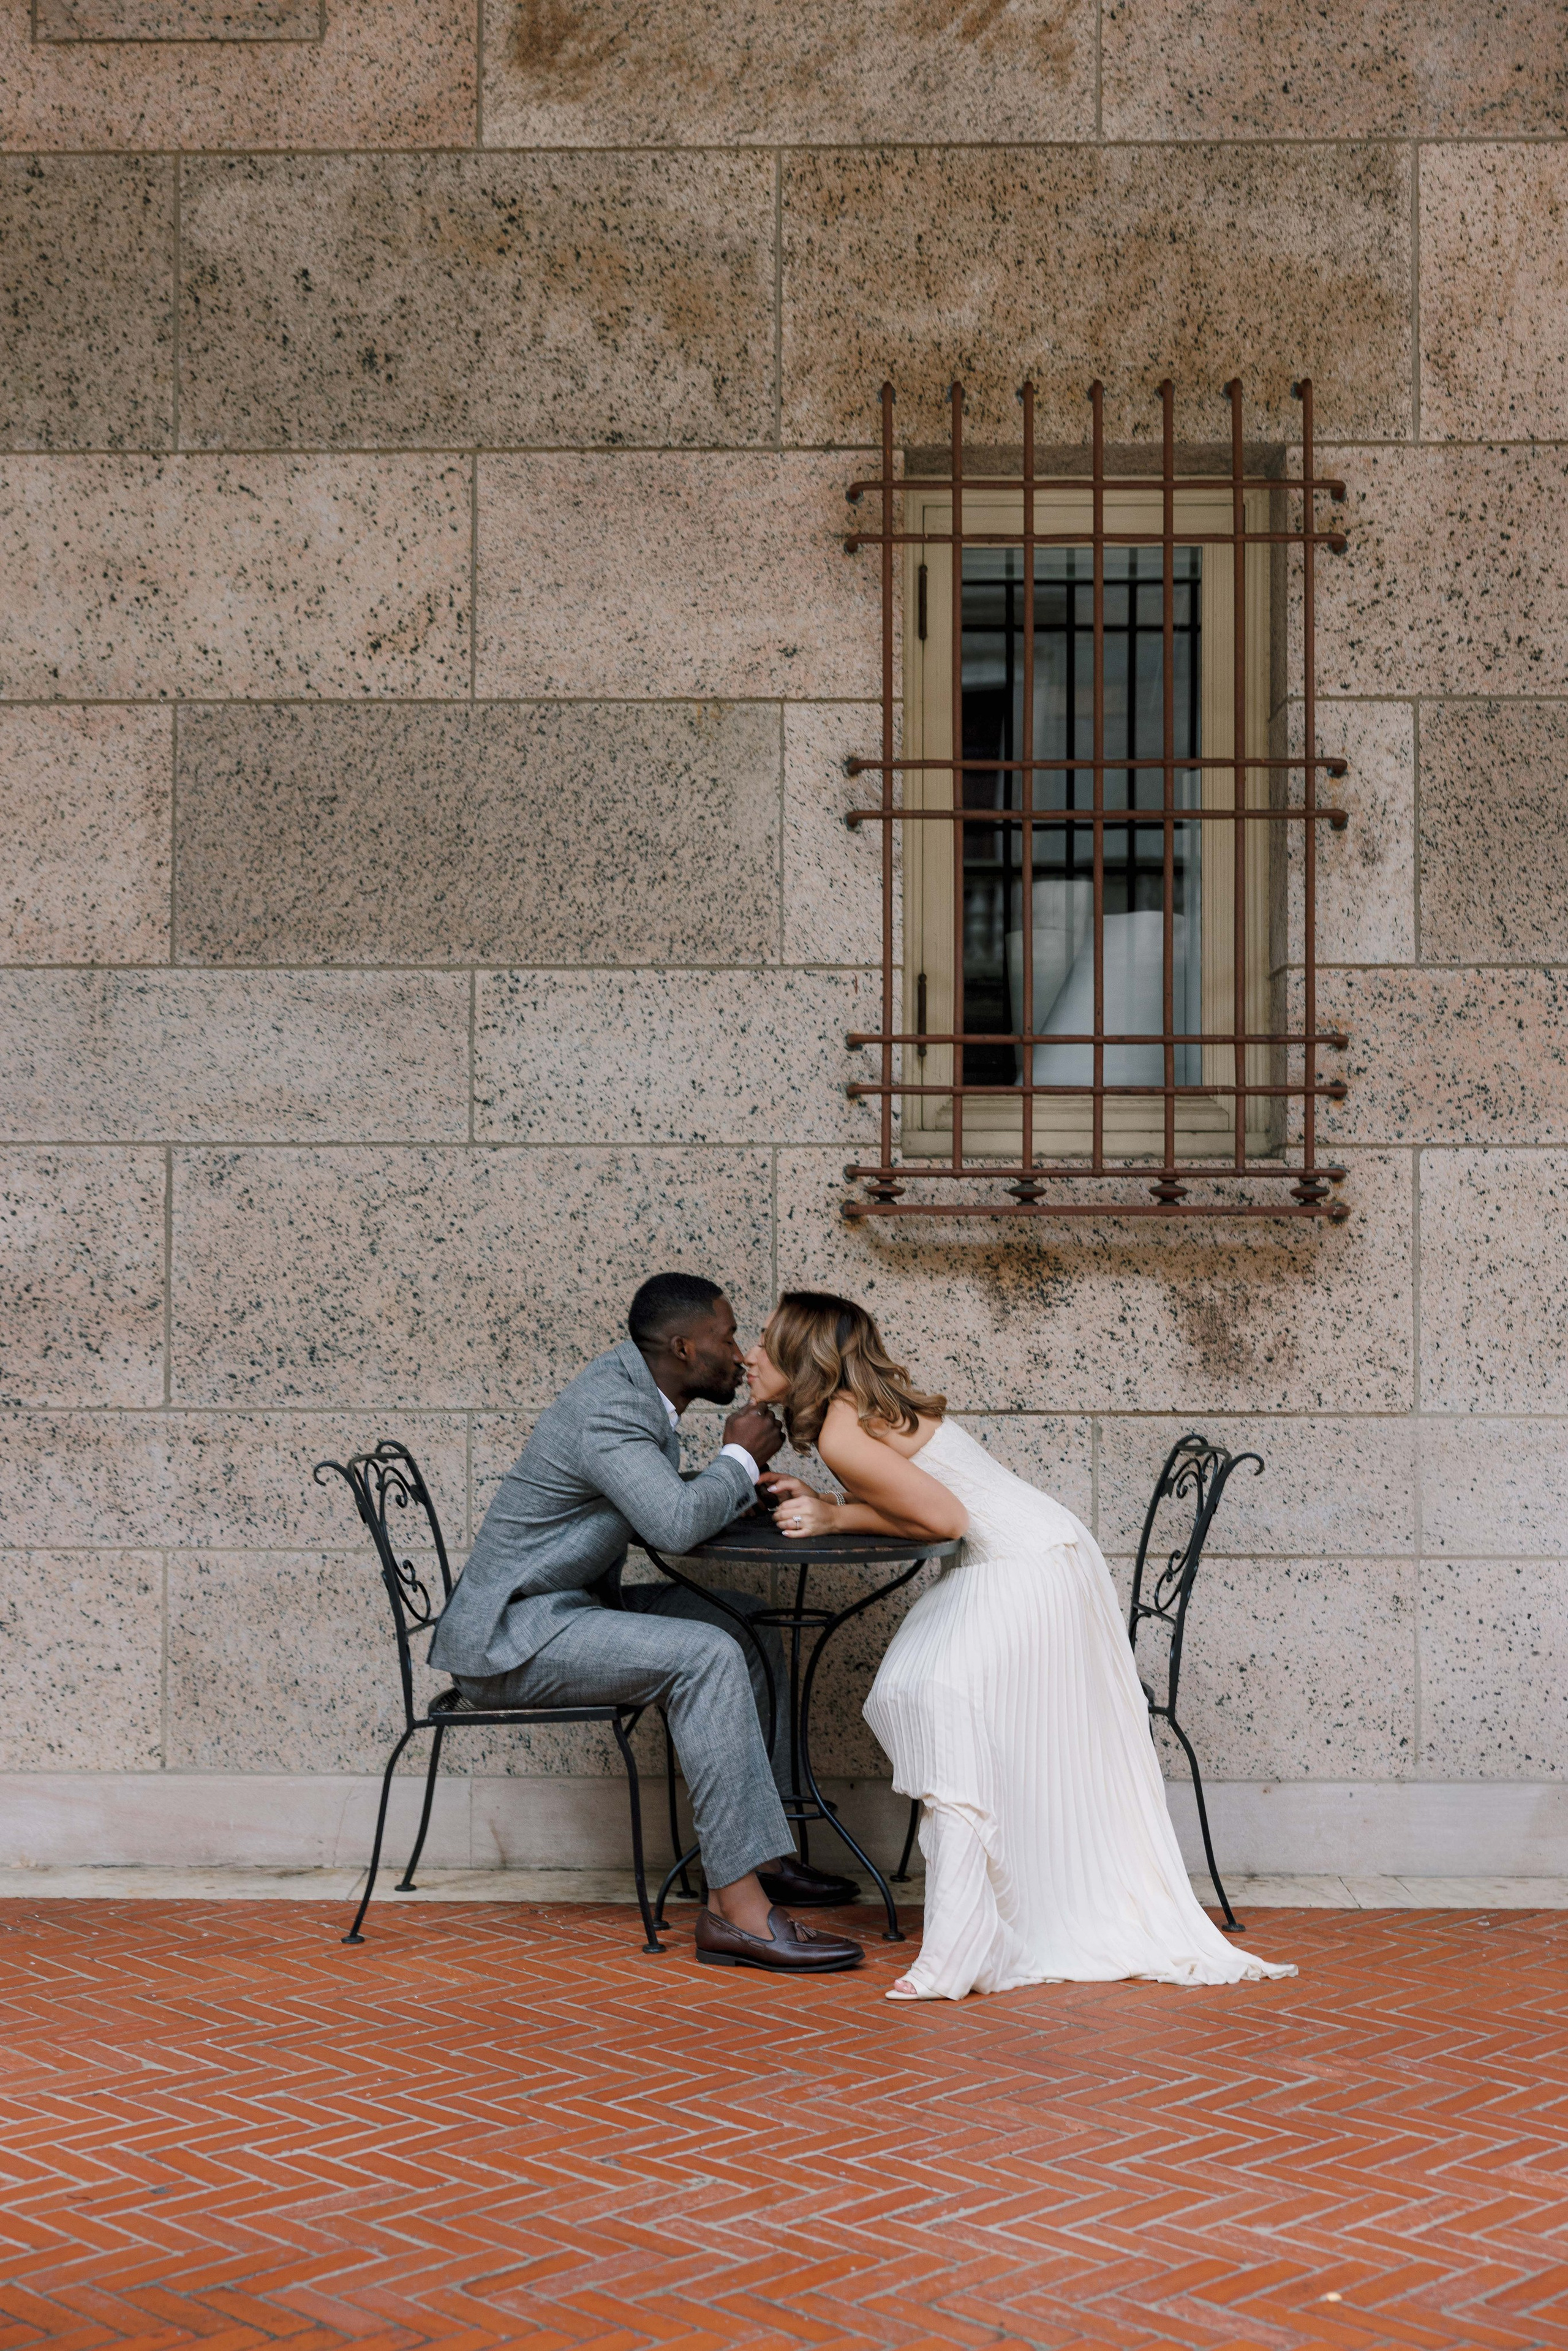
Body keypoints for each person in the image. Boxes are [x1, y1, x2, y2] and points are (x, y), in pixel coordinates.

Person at [747, 1291, 1294, 2002]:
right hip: (1032, 1552)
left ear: (800, 1351)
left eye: (764, 1340)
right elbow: (920, 1498)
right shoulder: (853, 1414)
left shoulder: (841, 1430)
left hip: (1023, 1564)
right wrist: (828, 1501)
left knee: (936, 1695)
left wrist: (830, 1514)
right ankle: (983, 1913)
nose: (750, 1355)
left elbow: (945, 1514)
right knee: (917, 1688)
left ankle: (968, 1939)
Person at [428, 1272, 864, 1975]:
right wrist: (739, 1456)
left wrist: (730, 1487)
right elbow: (670, 1522)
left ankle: (765, 1851)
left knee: (744, 1622)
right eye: (727, 1337)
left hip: (567, 1606)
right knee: (707, 1653)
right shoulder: (611, 1407)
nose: (738, 1352)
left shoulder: (634, 1396)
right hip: (513, 1636)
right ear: (684, 1347)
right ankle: (737, 1908)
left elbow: (660, 1505)